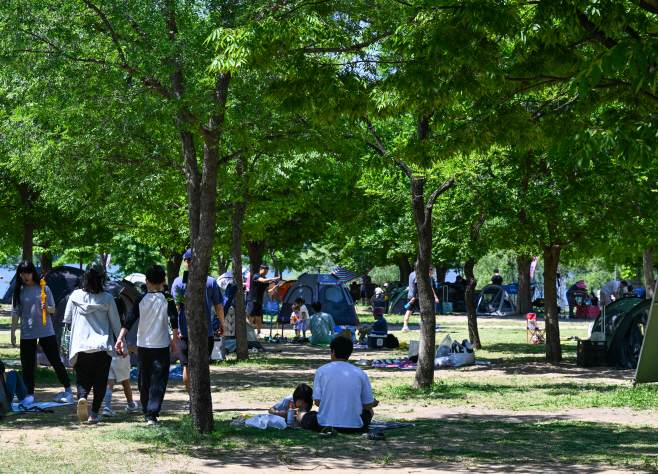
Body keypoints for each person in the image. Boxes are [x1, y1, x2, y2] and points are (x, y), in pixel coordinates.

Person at [115, 265, 179, 426]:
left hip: (143, 346)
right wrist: (174, 341)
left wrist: (120, 338)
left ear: (147, 281)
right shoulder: (169, 298)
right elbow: (174, 320)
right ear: (164, 281)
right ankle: (152, 413)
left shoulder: (140, 299)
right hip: (161, 345)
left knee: (144, 380)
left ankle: (147, 411)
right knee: (159, 380)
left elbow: (129, 320)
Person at [64, 262, 122, 423]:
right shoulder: (108, 299)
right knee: (100, 380)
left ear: (85, 277)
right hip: (102, 346)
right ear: (102, 278)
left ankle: (82, 398)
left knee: (82, 377)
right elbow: (117, 325)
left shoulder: (74, 296)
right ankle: (94, 414)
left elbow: (67, 319)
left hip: (81, 346)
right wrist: (121, 344)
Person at [10, 260, 73, 404]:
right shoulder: (18, 290)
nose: (26, 276)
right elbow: (15, 312)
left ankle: (68, 390)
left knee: (55, 361)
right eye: (22, 273)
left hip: (45, 330)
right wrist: (13, 332)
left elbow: (53, 309)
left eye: (28, 273)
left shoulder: (43, 288)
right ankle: (28, 394)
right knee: (27, 364)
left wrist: (46, 307)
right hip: (27, 332)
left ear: (33, 273)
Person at [171, 249, 226, 405]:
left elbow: (176, 308)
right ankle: (202, 400)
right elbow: (219, 306)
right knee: (203, 366)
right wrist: (222, 324)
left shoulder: (178, 282)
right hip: (205, 332)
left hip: (184, 333)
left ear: (187, 263)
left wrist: (173, 331)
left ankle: (192, 400)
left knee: (187, 367)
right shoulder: (210, 281)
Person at [297, 337, 378, 434]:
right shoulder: (360, 373)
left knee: (302, 415)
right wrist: (373, 403)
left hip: (324, 424)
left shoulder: (321, 371)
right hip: (355, 426)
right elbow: (367, 406)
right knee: (370, 412)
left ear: (333, 352)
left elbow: (318, 402)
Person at [246, 264, 280, 336]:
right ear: (260, 269)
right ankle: (249, 333)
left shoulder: (266, 280)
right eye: (264, 270)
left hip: (259, 300)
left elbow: (268, 291)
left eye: (267, 271)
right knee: (251, 317)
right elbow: (263, 281)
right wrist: (273, 278)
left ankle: (258, 333)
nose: (266, 272)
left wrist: (273, 289)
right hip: (252, 299)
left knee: (259, 317)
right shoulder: (256, 276)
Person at [402, 263, 418, 333]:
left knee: (408, 311)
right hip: (415, 297)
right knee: (424, 311)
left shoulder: (411, 274)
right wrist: (414, 296)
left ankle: (405, 326)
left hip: (409, 295)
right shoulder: (417, 275)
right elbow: (415, 286)